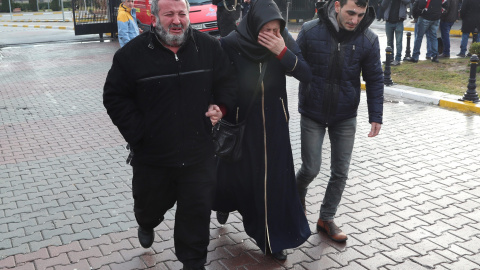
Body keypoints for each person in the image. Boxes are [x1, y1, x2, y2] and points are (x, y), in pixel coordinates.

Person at [103, 0, 236, 268]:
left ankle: (193, 262)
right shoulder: (131, 55)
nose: (177, 20)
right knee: (149, 207)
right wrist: (139, 134)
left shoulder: (209, 48)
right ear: (154, 19)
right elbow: (114, 96)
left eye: (181, 14)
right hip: (153, 158)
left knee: (196, 216)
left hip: (199, 154)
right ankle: (146, 221)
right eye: (169, 14)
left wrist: (220, 107)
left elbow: (228, 82)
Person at [213, 0, 311, 261]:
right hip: (242, 125)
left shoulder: (283, 40)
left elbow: (306, 73)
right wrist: (220, 109)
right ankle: (222, 204)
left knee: (271, 184)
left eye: (276, 29)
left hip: (276, 125)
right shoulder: (231, 43)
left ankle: (271, 240)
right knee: (235, 179)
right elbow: (221, 83)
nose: (271, 34)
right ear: (253, 24)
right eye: (265, 29)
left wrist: (283, 52)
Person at [295, 0, 384, 242]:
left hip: (345, 115)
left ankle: (326, 218)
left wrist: (376, 115)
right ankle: (296, 196)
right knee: (310, 168)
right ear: (337, 6)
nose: (355, 20)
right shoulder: (310, 30)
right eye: (351, 12)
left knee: (340, 172)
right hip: (312, 111)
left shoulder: (368, 39)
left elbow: (375, 78)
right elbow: (293, 64)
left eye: (360, 14)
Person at [381, 0, 411, 65]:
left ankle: (397, 59)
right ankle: (390, 58)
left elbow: (407, 1)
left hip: (399, 22)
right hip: (389, 21)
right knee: (389, 41)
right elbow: (383, 5)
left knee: (398, 42)